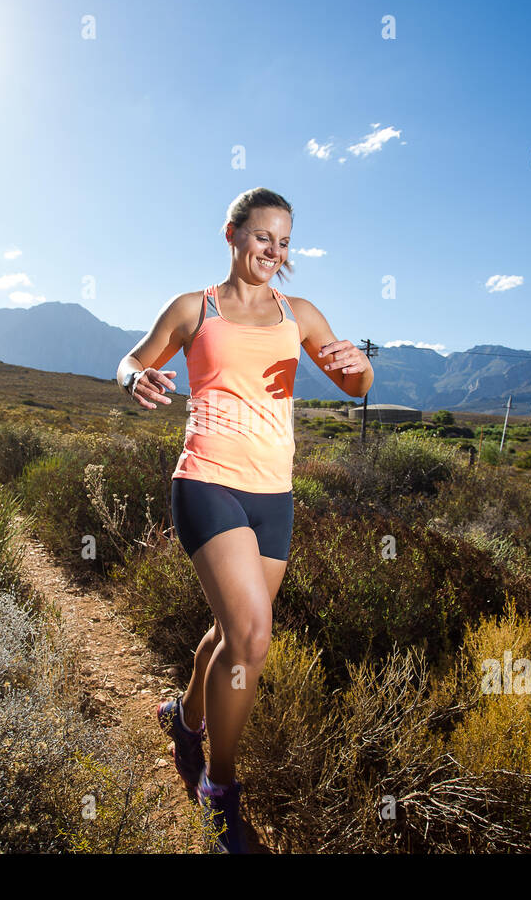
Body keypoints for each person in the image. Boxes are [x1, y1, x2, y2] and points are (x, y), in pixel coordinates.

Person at [113, 187, 374, 852]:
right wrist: (134, 379)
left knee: (231, 631)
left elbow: (353, 384)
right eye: (263, 237)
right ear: (232, 235)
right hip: (207, 480)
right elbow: (133, 360)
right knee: (252, 636)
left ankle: (184, 718)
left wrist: (362, 368)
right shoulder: (193, 308)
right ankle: (219, 787)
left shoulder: (300, 314)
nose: (274, 252)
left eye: (284, 242)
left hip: (274, 493)